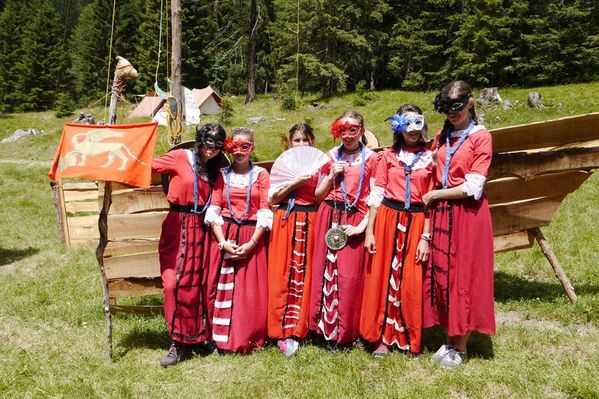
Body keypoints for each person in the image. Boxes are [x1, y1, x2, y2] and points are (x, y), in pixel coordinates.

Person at [422, 80, 495, 368]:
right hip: (442, 214)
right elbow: (434, 164)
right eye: (447, 108)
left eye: (458, 107)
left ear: (470, 103)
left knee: (462, 275)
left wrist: (436, 194)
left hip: (467, 214)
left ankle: (461, 346)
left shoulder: (481, 137)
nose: (454, 113)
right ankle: (450, 337)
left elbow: (473, 186)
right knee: (444, 275)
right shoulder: (443, 134)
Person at [360, 104, 434, 357]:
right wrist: (370, 231)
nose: (413, 131)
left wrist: (426, 236)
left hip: (416, 221)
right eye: (407, 124)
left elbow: (432, 200)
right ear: (398, 127)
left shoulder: (431, 158)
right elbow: (377, 194)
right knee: (382, 276)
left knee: (410, 279)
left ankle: (405, 334)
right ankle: (380, 336)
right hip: (387, 220)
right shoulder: (387, 157)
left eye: (418, 123)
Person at [151, 122, 227, 367]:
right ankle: (177, 340)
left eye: (217, 146)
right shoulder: (179, 157)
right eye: (208, 144)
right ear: (199, 140)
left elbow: (217, 200)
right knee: (172, 284)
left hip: (203, 228)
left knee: (199, 286)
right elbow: (148, 165)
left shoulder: (217, 170)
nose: (211, 150)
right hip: (176, 225)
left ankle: (198, 338)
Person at [309, 111, 378, 349]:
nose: (348, 135)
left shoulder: (371, 159)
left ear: (361, 130)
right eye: (343, 130)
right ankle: (323, 329)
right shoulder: (329, 157)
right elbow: (317, 196)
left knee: (349, 277)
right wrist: (331, 176)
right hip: (329, 216)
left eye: (353, 130)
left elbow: (376, 198)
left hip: (355, 219)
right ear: (336, 131)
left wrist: (361, 227)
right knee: (324, 271)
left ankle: (346, 331)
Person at [205, 127, 273, 354]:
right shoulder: (222, 175)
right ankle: (220, 338)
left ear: (252, 147)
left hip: (252, 235)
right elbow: (215, 208)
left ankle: (247, 337)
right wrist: (223, 242)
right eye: (235, 147)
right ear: (229, 147)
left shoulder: (261, 175)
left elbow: (264, 208)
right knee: (221, 286)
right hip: (226, 233)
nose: (240, 152)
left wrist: (253, 243)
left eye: (245, 147)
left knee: (249, 289)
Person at [267, 124, 319, 357]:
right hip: (285, 219)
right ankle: (280, 330)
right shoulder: (283, 164)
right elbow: (273, 199)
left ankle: (302, 327)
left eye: (304, 140)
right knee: (283, 273)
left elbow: (321, 196)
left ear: (312, 142)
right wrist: (295, 183)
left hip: (311, 219)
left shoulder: (320, 164)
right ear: (289, 143)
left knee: (306, 272)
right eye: (296, 140)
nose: (300, 145)